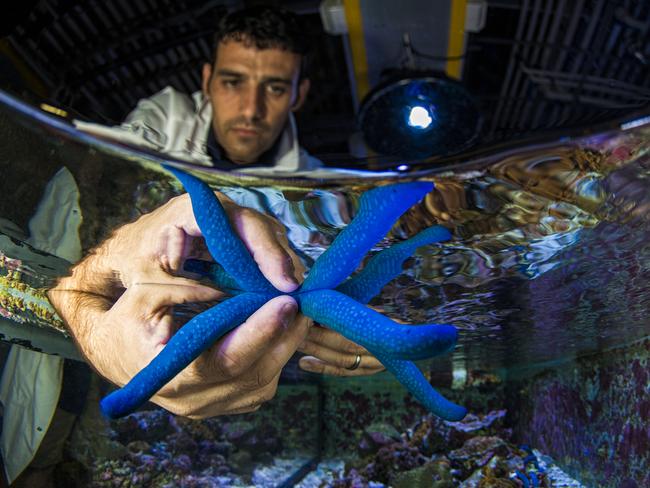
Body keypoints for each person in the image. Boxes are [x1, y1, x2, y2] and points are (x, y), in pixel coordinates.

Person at [2, 5, 384, 486]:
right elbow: (103, 181)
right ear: (206, 80)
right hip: (81, 323)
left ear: (299, 94)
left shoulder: (315, 189)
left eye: (274, 87)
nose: (250, 109)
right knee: (39, 446)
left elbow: (310, 281)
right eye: (232, 81)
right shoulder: (162, 120)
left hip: (166, 364)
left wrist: (347, 330)